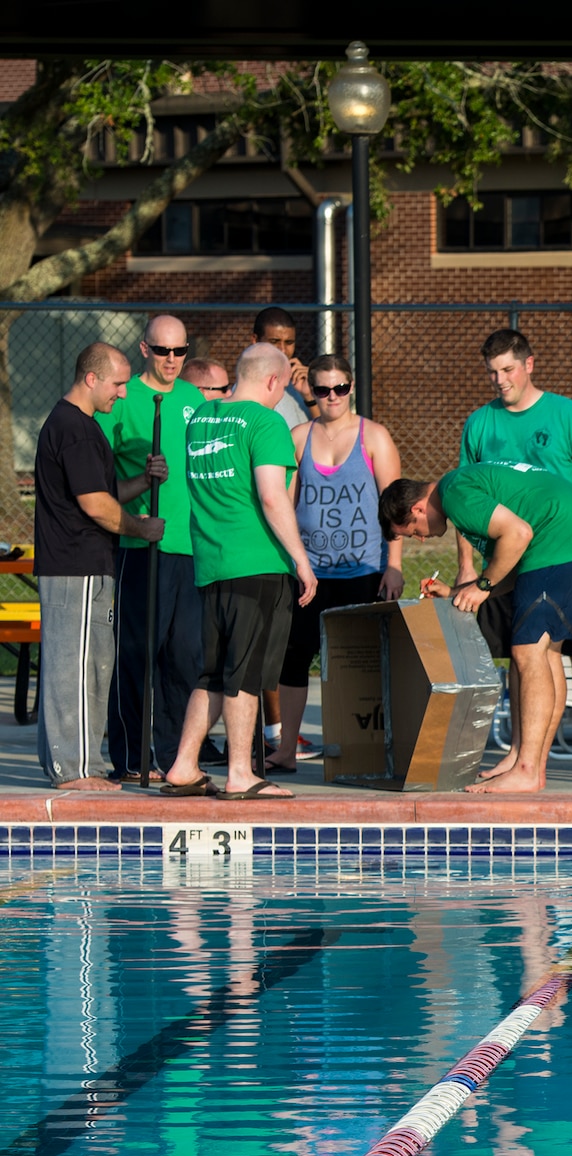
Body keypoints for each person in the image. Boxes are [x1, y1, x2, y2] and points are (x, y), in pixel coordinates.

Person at [456, 329, 572, 782]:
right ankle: (524, 756)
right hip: (513, 559)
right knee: (527, 652)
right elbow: (468, 506)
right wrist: (468, 568)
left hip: (563, 550)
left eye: (508, 369)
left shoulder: (566, 413)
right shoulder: (480, 423)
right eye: (492, 372)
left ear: (529, 364)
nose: (500, 380)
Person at [382, 464, 572, 794]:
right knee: (540, 655)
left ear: (417, 508)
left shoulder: (454, 493)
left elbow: (518, 535)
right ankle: (533, 768)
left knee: (528, 652)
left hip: (560, 542)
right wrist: (463, 591)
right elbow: (513, 565)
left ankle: (527, 770)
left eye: (412, 531)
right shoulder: (462, 489)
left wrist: (484, 586)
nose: (419, 538)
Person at [160, 344, 316, 800]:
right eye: (283, 386)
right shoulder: (267, 422)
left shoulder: (201, 418)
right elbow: (273, 497)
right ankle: (240, 774)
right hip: (256, 564)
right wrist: (301, 561)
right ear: (272, 381)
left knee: (211, 672)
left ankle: (184, 765)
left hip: (210, 563)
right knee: (243, 675)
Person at [265, 354, 406, 774]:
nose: (331, 397)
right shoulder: (299, 437)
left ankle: (366, 750)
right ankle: (286, 749)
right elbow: (284, 506)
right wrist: (292, 562)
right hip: (311, 573)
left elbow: (394, 507)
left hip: (362, 570)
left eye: (339, 389)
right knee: (294, 660)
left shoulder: (374, 437)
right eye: (322, 390)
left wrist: (393, 566)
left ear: (351, 387)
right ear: (311, 391)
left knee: (362, 662)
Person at [34, 344, 165, 789]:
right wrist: (139, 528)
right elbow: (94, 506)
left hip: (81, 563)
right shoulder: (73, 429)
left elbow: (101, 492)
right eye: (118, 383)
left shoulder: (82, 427)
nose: (123, 393)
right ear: (92, 379)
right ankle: (76, 769)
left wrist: (143, 481)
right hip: (77, 565)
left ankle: (76, 765)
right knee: (78, 667)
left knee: (90, 664)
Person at [98, 314, 206, 782]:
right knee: (137, 652)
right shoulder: (122, 398)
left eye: (180, 351)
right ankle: (131, 757)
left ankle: (175, 757)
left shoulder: (192, 398)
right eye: (163, 351)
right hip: (140, 545)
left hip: (189, 547)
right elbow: (98, 485)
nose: (172, 360)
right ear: (145, 349)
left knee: (184, 657)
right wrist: (142, 484)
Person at [252, 306, 314, 428]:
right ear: (255, 340)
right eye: (274, 341)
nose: (282, 350)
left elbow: (327, 434)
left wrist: (310, 397)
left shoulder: (302, 385)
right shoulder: (247, 387)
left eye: (289, 342)